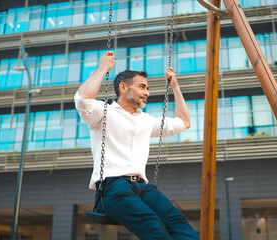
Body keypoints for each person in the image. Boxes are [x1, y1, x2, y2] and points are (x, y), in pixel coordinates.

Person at [74, 51, 200, 240]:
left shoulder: (146, 121)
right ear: (123, 87)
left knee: (179, 225)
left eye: (147, 88)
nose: (147, 92)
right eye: (142, 87)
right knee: (155, 228)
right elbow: (82, 99)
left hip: (143, 188)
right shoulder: (103, 112)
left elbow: (184, 122)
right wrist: (103, 68)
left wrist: (175, 86)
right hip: (113, 187)